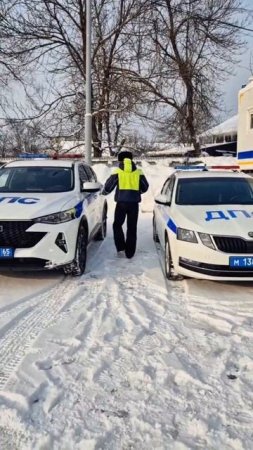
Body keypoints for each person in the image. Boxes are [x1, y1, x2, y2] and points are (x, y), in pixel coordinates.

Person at [102, 150, 149, 258]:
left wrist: (104, 192)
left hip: (121, 203)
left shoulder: (117, 171)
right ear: (131, 160)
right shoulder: (139, 172)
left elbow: (109, 186)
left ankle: (121, 248)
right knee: (132, 227)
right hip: (134, 205)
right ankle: (130, 253)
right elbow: (145, 187)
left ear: (120, 160)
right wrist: (137, 192)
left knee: (117, 225)